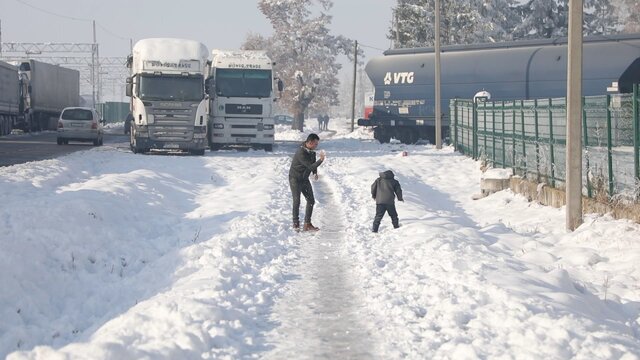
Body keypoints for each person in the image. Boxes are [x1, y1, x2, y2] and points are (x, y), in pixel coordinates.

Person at [289, 133, 326, 231]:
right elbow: (309, 165)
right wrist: (321, 160)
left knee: (311, 200)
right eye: (315, 144)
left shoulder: (312, 152)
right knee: (297, 201)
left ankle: (307, 224)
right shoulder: (301, 152)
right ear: (310, 142)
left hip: (304, 178)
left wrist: (315, 173)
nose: (316, 146)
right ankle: (296, 223)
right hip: (295, 179)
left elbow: (312, 165)